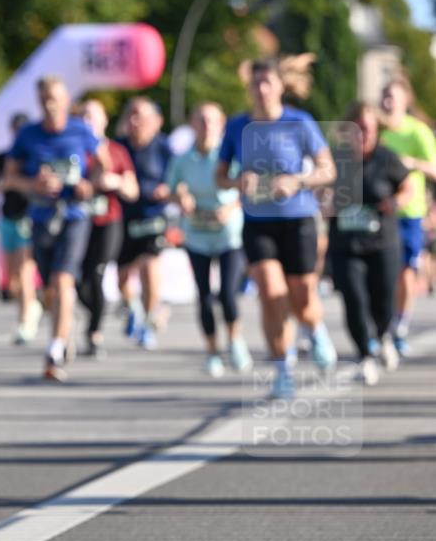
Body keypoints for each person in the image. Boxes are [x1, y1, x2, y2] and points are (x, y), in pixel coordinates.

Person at [217, 58, 337, 399]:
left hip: (297, 219)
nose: (262, 89)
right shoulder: (237, 126)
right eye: (256, 83)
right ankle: (282, 368)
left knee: (301, 297)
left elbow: (328, 170)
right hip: (257, 222)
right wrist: (238, 181)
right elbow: (220, 176)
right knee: (270, 293)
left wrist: (297, 181)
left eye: (268, 82)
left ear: (280, 85)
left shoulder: (299, 122)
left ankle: (315, 330)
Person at [4, 76, 108, 380]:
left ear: (66, 100)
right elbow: (9, 178)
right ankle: (63, 327)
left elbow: (102, 164)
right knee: (51, 289)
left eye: (55, 98)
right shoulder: (28, 135)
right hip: (41, 217)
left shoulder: (81, 130)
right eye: (45, 99)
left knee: (64, 281)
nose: (50, 104)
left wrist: (90, 184)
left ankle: (55, 349)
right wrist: (33, 184)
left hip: (75, 215)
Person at [328, 102, 413, 384]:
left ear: (376, 130)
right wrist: (324, 201)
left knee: (383, 300)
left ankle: (383, 335)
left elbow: (407, 187)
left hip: (381, 242)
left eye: (367, 129)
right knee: (354, 298)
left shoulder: (387, 158)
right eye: (357, 129)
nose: (362, 135)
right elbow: (320, 188)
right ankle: (365, 354)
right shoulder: (336, 159)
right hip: (346, 244)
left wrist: (395, 202)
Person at [167, 103, 252, 377]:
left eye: (212, 121)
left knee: (227, 293)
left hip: (229, 233)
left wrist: (232, 207)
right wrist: (181, 197)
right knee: (203, 295)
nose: (206, 126)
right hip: (196, 233)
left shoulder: (229, 156)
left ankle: (235, 340)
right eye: (201, 120)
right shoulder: (182, 159)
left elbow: (248, 187)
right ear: (193, 124)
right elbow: (169, 189)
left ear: (221, 124)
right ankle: (212, 352)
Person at [76, 99, 139, 357]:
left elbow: (133, 191)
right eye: (84, 117)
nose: (89, 122)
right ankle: (96, 312)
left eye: (94, 116)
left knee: (98, 273)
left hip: (109, 220)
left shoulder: (116, 151)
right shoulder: (75, 149)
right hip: (79, 222)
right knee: (79, 280)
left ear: (104, 120)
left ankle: (94, 332)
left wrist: (115, 181)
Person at [380, 72, 436, 354]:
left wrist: (411, 162)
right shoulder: (378, 131)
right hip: (380, 212)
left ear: (405, 99)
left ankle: (400, 324)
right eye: (384, 96)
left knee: (405, 273)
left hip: (410, 212)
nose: (386, 101)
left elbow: (434, 169)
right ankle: (382, 323)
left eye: (392, 96)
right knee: (381, 272)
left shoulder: (418, 132)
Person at [117, 98, 173, 350]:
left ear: (156, 121)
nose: (134, 120)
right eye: (130, 114)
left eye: (140, 115)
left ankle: (149, 324)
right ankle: (134, 309)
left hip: (153, 217)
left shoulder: (163, 148)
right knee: (122, 276)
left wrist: (168, 189)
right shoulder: (118, 147)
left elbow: (177, 177)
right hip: (123, 217)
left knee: (150, 267)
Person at [0, 113, 42, 343]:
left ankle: (24, 321)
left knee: (24, 272)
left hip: (26, 218)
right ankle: (31, 307)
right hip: (7, 217)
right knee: (12, 280)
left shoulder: (33, 156)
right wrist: (3, 183)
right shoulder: (2, 157)